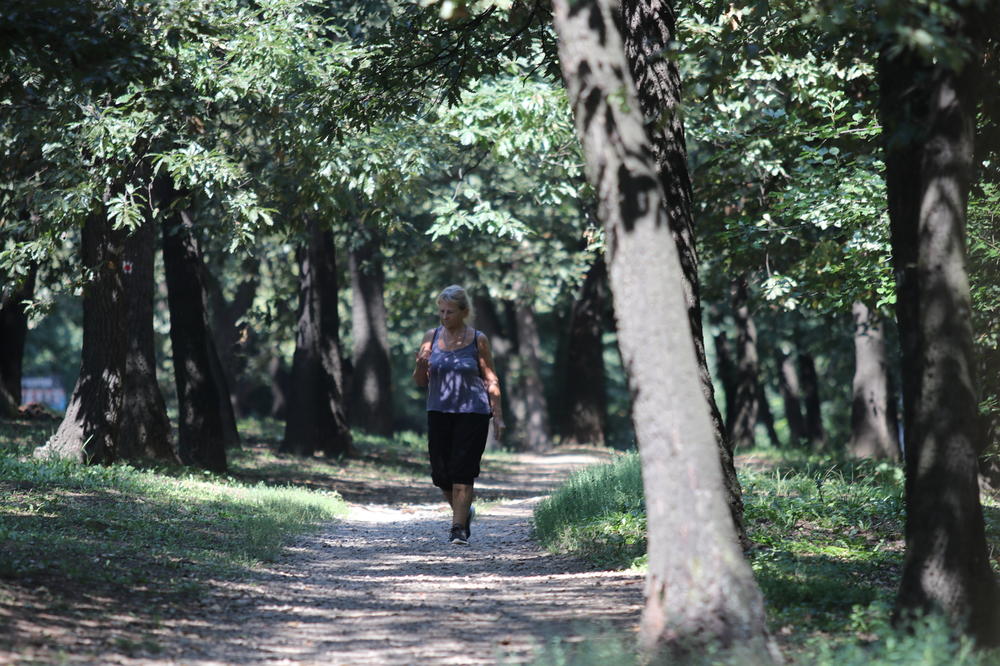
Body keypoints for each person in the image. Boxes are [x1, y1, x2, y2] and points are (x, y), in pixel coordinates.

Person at [413, 285, 505, 545]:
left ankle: (458, 529)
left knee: (462, 472)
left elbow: (491, 379)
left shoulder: (478, 339)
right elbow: (421, 382)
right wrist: (421, 365)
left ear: (464, 312)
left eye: (450, 312)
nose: (444, 316)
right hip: (438, 411)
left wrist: (498, 416)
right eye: (441, 311)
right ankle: (465, 511)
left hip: (472, 412)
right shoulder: (431, 337)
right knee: (441, 475)